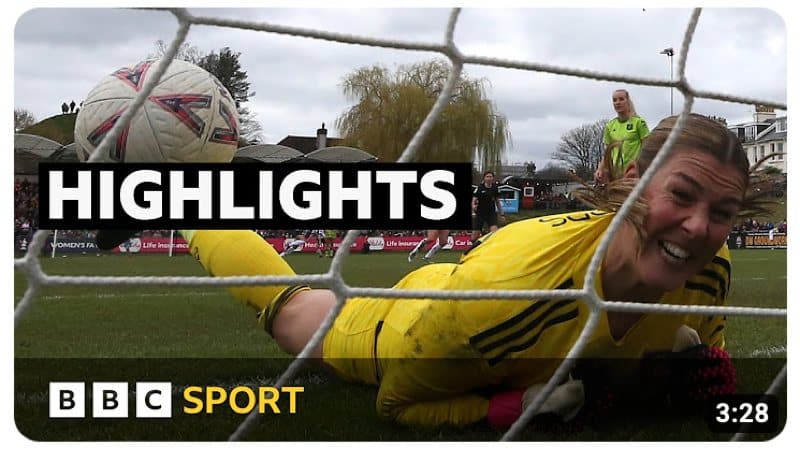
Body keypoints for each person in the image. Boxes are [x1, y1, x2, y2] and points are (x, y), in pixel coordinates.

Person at [138, 114, 765, 428]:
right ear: (630, 184)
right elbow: (397, 404)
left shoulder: (712, 267)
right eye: (681, 196)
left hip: (489, 298)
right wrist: (517, 407)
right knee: (291, 310)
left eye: (722, 211)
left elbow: (707, 359)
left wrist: (697, 377)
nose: (698, 227)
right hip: (410, 322)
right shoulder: (509, 297)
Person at [594, 89, 650, 184]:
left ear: (627, 101)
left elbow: (647, 148)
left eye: (621, 99)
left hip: (634, 174)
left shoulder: (639, 122)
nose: (618, 103)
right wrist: (600, 169)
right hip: (615, 174)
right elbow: (607, 152)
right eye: (615, 100)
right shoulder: (610, 126)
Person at [471, 171, 505, 242]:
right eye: (487, 176)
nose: (489, 178)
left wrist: (502, 214)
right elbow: (473, 201)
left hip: (491, 213)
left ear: (493, 178)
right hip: (480, 213)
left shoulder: (495, 188)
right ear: (484, 178)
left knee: (494, 234)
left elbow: (498, 202)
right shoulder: (479, 188)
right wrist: (473, 211)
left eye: (490, 177)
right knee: (474, 237)